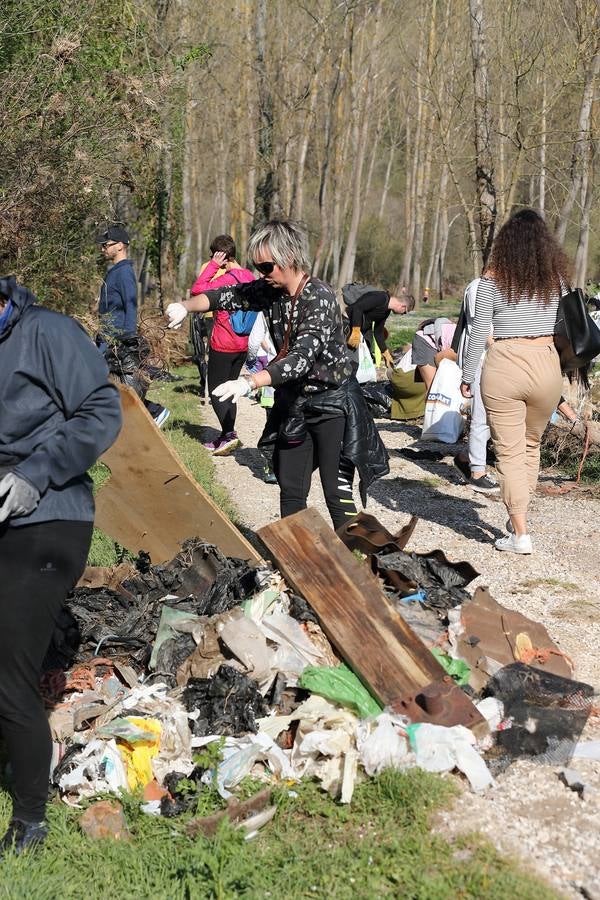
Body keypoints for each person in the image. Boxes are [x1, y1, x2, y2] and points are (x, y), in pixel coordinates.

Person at [0, 275, 122, 854]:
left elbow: (102, 410)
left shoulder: (46, 332)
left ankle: (30, 817)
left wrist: (35, 474)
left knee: (5, 666)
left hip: (50, 516)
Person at [166, 219, 389, 530]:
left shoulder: (319, 297)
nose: (262, 274)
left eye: (267, 266)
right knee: (291, 488)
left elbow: (301, 359)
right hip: (296, 405)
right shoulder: (270, 289)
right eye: (258, 266)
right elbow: (225, 296)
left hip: (332, 406)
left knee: (336, 495)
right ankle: (297, 563)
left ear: (289, 258)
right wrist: (184, 306)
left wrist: (249, 381)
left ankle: (360, 565)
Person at [460, 208, 568, 555]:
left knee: (508, 450)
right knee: (531, 445)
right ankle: (518, 515)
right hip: (547, 364)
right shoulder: (557, 280)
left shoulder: (493, 279)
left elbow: (479, 331)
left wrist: (467, 375)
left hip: (505, 364)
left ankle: (520, 533)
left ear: (506, 242)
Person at [96, 225, 170, 427]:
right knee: (109, 384)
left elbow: (131, 305)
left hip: (118, 339)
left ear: (120, 246)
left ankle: (154, 412)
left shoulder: (125, 272)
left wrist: (129, 339)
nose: (103, 249)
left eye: (106, 245)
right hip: (107, 337)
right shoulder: (115, 272)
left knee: (113, 384)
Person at [189, 235, 255, 455]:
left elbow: (197, 291)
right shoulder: (248, 275)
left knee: (216, 390)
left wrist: (213, 267)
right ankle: (227, 434)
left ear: (222, 256)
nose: (211, 260)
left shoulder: (228, 278)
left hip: (223, 343)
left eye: (213, 256)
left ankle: (229, 435)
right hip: (242, 343)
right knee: (230, 390)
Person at [453, 278, 499, 494]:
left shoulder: (502, 284)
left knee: (493, 415)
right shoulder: (479, 287)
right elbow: (479, 327)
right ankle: (477, 472)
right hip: (480, 358)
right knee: (482, 415)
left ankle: (467, 458)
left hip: (496, 358)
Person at [346, 290, 414, 366]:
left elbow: (378, 332)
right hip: (347, 325)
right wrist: (355, 331)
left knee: (355, 362)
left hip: (358, 332)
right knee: (347, 360)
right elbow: (357, 307)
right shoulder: (381, 298)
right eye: (404, 312)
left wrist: (385, 352)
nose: (402, 314)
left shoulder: (386, 311)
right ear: (403, 307)